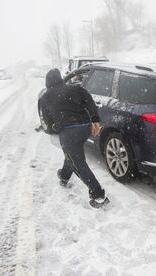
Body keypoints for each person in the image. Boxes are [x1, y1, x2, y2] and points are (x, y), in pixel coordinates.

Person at [38, 68, 109, 208]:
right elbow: (89, 101)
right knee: (72, 154)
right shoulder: (75, 88)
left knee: (78, 163)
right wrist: (95, 119)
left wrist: (54, 128)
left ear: (47, 82)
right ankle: (64, 176)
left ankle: (98, 194)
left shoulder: (45, 97)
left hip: (69, 131)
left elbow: (46, 121)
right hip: (85, 127)